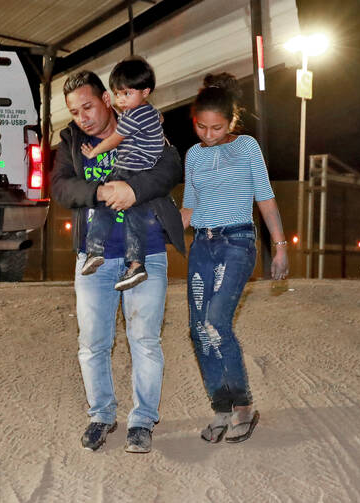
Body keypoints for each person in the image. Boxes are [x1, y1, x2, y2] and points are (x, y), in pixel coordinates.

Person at [51, 70, 185, 453]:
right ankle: (101, 415)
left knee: (144, 339)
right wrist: (100, 191)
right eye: (75, 112)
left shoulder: (143, 123)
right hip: (92, 257)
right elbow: (60, 186)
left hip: (147, 251)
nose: (83, 118)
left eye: (88, 107)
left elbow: (170, 166)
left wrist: (132, 188)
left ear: (108, 100)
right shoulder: (71, 140)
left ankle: (142, 422)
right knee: (92, 342)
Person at [180, 73, 289, 444]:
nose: (208, 135)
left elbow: (265, 197)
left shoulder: (246, 148)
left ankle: (243, 406)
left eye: (217, 127)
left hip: (237, 242)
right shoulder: (193, 155)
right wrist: (154, 234)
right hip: (202, 246)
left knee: (215, 322)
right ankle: (221, 408)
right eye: (201, 127)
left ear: (231, 123)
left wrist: (280, 245)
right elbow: (189, 209)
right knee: (198, 330)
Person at [79, 57, 164, 291]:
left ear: (145, 91)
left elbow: (116, 139)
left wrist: (94, 151)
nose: (121, 100)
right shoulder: (147, 112)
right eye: (117, 94)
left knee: (103, 200)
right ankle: (136, 264)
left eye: (126, 93)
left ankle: (95, 250)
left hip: (130, 168)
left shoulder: (136, 115)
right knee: (133, 215)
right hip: (142, 173)